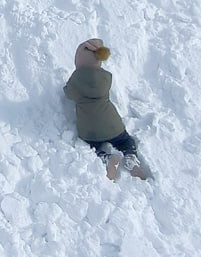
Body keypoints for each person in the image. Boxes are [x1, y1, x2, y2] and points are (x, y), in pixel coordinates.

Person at [63, 38, 148, 180]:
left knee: (91, 146)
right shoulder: (105, 77)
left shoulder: (76, 79)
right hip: (112, 123)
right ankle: (130, 157)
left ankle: (107, 158)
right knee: (126, 141)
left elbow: (69, 93)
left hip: (89, 128)